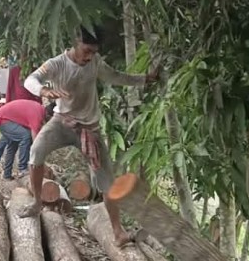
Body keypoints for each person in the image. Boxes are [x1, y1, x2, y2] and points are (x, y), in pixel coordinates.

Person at [19, 26, 159, 247]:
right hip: (62, 122)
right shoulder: (57, 64)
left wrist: (144, 79)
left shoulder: (95, 62)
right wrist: (44, 91)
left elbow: (116, 77)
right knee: (36, 152)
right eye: (86, 51)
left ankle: (118, 231)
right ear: (75, 43)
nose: (89, 56)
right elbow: (30, 80)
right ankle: (37, 202)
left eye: (93, 52)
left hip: (90, 129)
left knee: (107, 181)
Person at [0, 99, 54, 180]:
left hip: (7, 119)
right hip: (3, 119)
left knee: (13, 145)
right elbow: (35, 142)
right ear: (49, 115)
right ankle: (22, 169)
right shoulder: (37, 115)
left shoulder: (39, 110)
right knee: (26, 136)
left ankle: (7, 175)